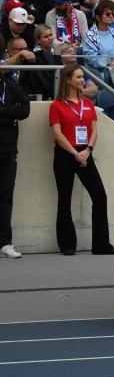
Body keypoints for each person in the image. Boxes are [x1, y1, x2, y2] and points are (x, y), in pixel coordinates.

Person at [48, 63, 114, 256]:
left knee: (100, 197)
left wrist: (88, 150)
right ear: (68, 80)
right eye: (78, 77)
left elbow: (94, 131)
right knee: (64, 198)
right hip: (65, 153)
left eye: (82, 76)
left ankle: (101, 244)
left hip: (85, 151)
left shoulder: (88, 104)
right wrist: (75, 153)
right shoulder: (56, 105)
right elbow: (57, 134)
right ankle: (67, 244)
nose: (82, 80)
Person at [0, 67, 29, 258]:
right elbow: (16, 112)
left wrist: (3, 111)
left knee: (5, 197)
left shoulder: (11, 86)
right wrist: (9, 115)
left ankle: (5, 242)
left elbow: (25, 110)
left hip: (8, 150)